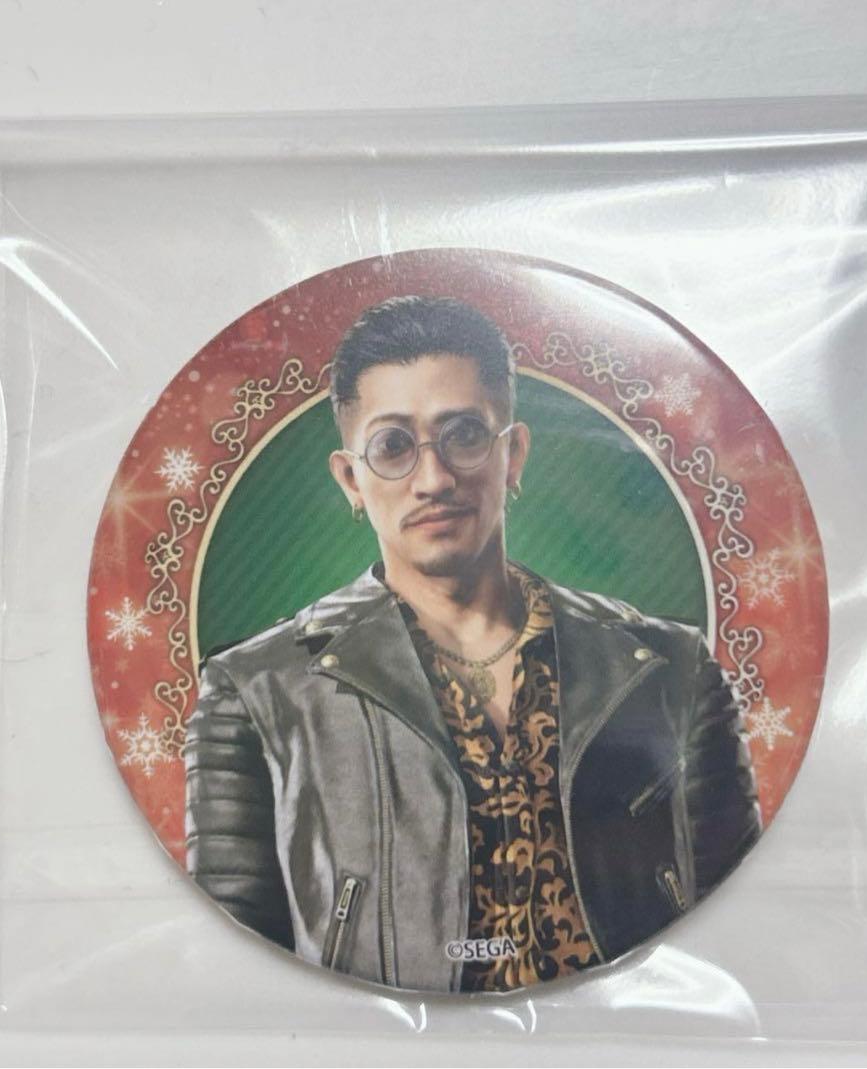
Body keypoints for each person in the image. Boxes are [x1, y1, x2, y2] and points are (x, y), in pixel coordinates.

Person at [185, 295, 760, 993]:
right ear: (351, 479)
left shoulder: (669, 667)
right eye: (393, 446)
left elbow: (739, 924)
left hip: (629, 1031)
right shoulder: (255, 691)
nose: (433, 480)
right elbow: (236, 969)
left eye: (463, 435)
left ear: (512, 454)